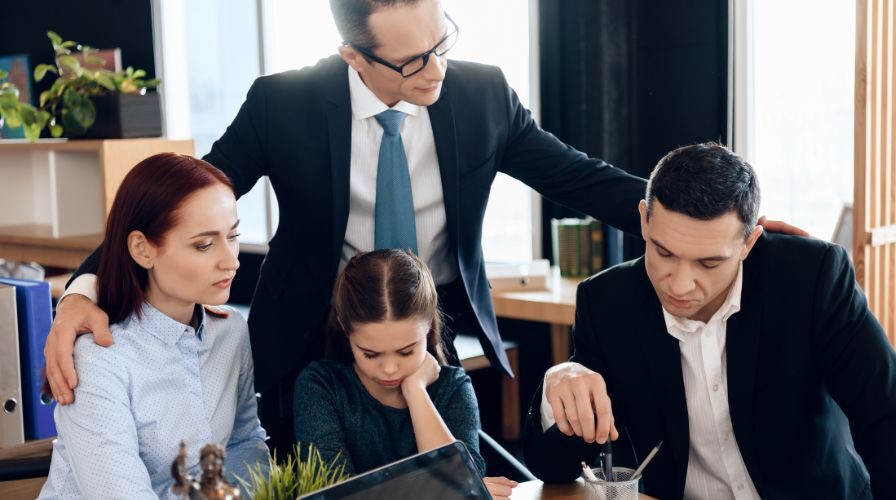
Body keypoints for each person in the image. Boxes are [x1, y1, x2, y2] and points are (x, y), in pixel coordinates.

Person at [44, 0, 801, 452]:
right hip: (311, 333)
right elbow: (183, 198)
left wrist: (722, 225)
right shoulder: (286, 103)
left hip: (431, 326)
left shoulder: (480, 94)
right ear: (352, 54)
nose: (434, 69)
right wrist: (87, 285)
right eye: (410, 62)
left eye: (443, 40)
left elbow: (580, 177)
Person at [523, 143, 896, 499]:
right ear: (643, 220)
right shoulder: (607, 302)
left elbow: (887, 415)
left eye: (709, 263)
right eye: (664, 252)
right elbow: (552, 468)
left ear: (749, 243)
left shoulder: (811, 279)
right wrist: (556, 388)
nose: (680, 284)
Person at [38, 154, 268, 499]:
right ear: (143, 250)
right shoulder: (100, 360)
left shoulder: (231, 331)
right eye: (204, 244)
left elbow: (244, 442)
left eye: (233, 235)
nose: (231, 259)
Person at [294, 249, 517, 499]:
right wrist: (438, 492)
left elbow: (465, 489)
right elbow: (339, 495)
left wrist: (416, 390)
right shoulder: (321, 387)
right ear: (345, 329)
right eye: (371, 354)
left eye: (406, 352)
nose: (390, 369)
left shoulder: (453, 387)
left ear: (428, 326)